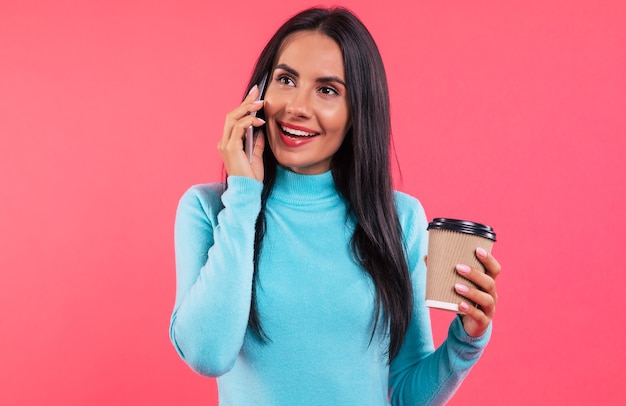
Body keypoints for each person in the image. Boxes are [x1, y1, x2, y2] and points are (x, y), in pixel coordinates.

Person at [169, 6, 501, 405]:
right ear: (258, 93)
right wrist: (242, 195)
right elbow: (208, 355)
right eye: (286, 80)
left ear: (358, 111)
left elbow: (403, 395)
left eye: (327, 90)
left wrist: (467, 341)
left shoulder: (399, 220)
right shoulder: (208, 209)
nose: (297, 107)